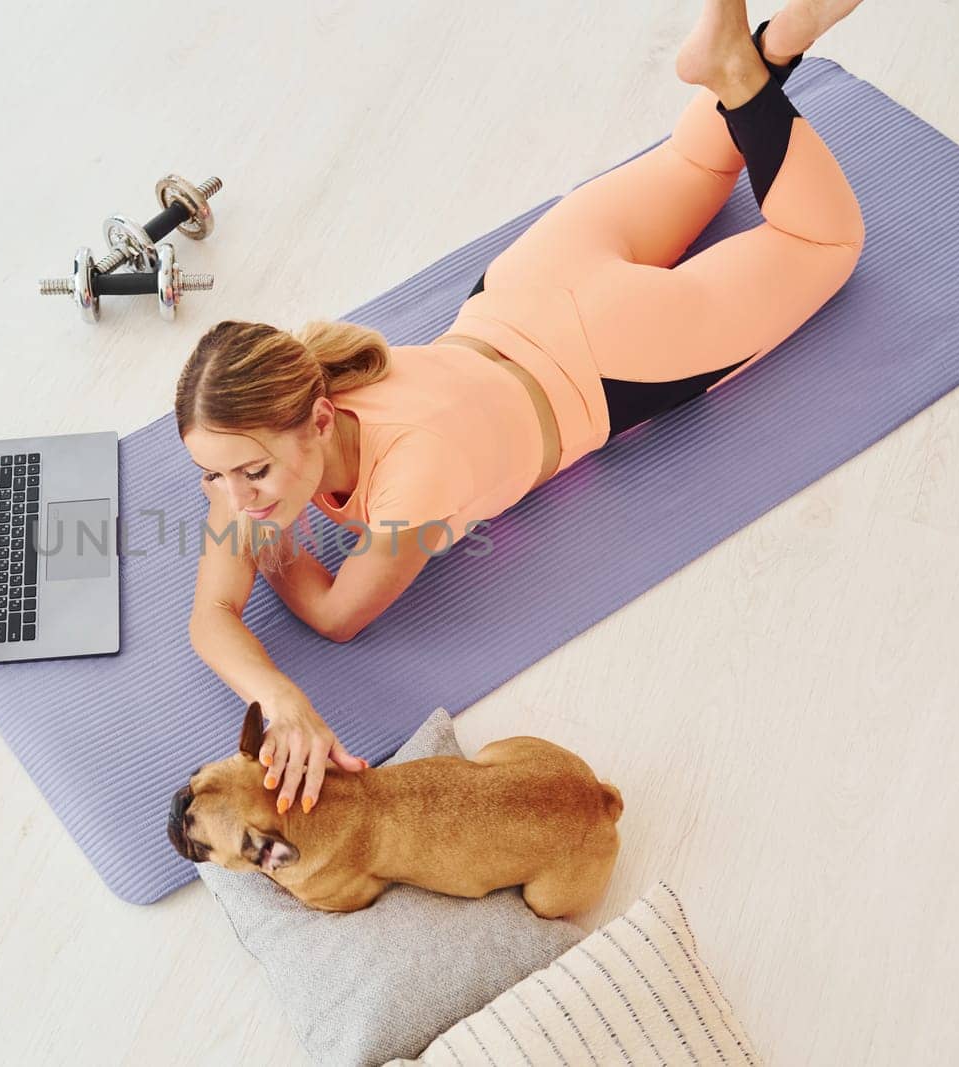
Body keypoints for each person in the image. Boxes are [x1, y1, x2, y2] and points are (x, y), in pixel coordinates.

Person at [176, 0, 867, 818]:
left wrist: (272, 544)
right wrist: (278, 697)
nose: (233, 496)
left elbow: (335, 616)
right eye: (211, 476)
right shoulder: (268, 419)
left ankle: (750, 66)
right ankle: (763, 44)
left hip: (613, 350)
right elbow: (212, 615)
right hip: (527, 282)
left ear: (321, 420)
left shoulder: (413, 485)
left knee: (824, 243)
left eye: (250, 472)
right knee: (698, 163)